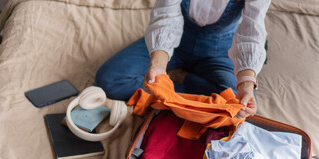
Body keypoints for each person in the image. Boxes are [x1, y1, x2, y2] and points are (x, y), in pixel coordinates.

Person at [95, 0, 271, 118]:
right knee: (109, 80)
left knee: (239, 105)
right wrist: (158, 66)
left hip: (221, 48)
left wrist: (246, 85)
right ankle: (195, 99)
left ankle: (182, 80)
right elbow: (166, 16)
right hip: (174, 39)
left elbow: (251, 30)